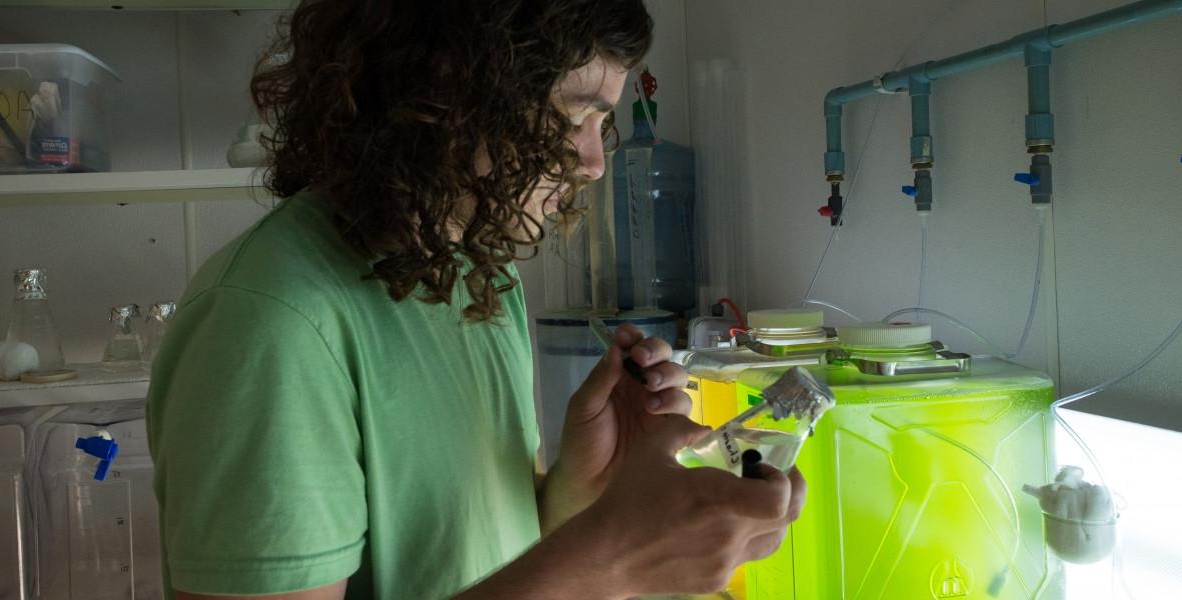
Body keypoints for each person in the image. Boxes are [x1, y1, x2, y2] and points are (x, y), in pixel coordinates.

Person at [146, 1, 806, 598]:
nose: (592, 162)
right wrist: (613, 563)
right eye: (571, 117)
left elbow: (476, 562)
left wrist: (585, 490)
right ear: (446, 90)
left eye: (600, 124)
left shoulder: (474, 267)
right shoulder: (272, 322)